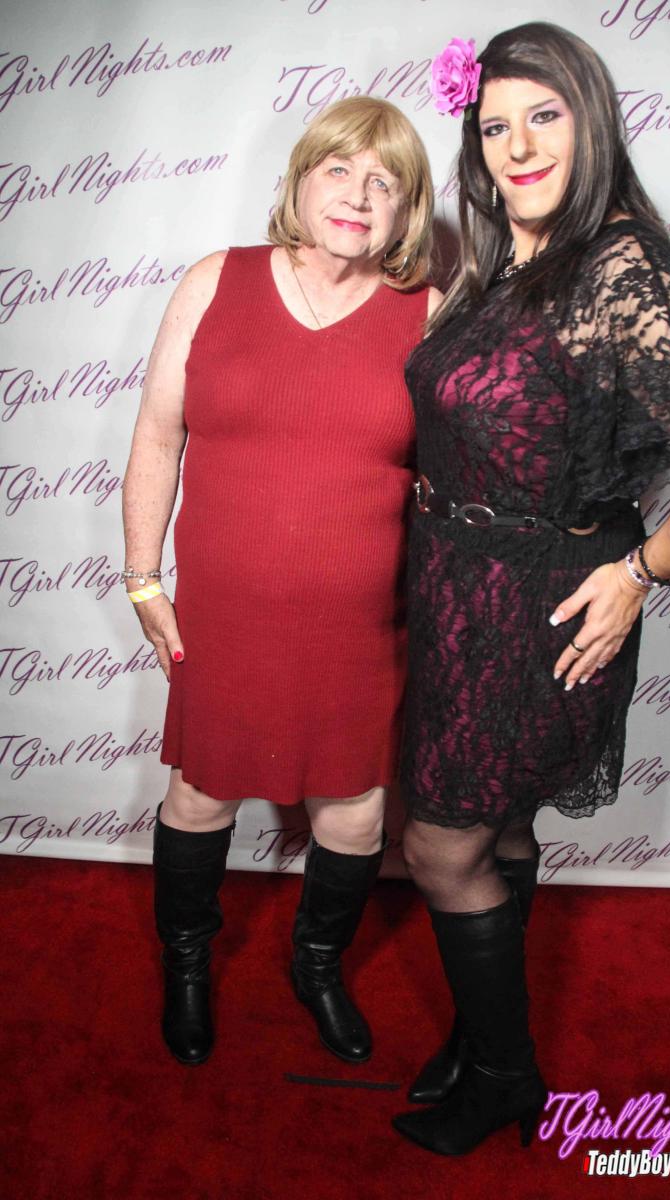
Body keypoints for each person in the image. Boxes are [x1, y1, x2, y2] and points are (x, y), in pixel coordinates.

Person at [391, 24, 670, 1155]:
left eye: (544, 116)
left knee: (441, 847)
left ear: (592, 122)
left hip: (536, 601)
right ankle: (485, 1032)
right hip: (464, 585)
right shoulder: (519, 262)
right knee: (501, 822)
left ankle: (503, 1075)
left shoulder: (618, 267)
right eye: (493, 126)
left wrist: (639, 572)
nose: (517, 146)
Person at [122, 96, 440, 1069]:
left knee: (355, 813)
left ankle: (316, 965)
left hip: (362, 630)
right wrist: (143, 580)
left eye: (384, 181)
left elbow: (460, 472)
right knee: (198, 799)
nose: (358, 194)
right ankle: (186, 963)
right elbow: (157, 437)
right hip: (224, 618)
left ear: (406, 210)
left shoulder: (428, 311)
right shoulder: (214, 281)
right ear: (300, 181)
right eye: (339, 169)